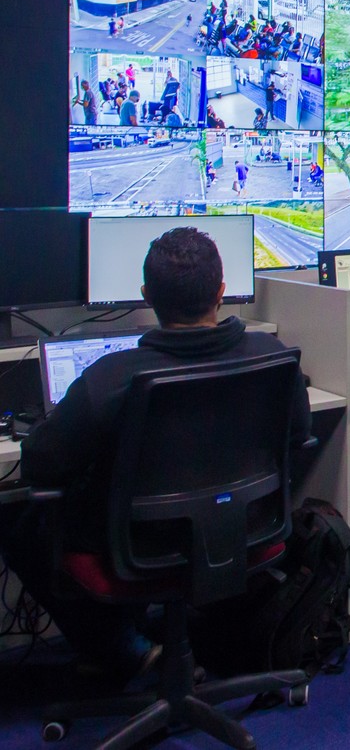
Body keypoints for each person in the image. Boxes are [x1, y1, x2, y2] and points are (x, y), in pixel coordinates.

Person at [0, 228, 310, 680]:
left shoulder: (109, 378)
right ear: (222, 292)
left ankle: (126, 649)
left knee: (18, 520)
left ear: (146, 295)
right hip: (244, 530)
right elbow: (300, 434)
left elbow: (41, 464)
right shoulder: (273, 356)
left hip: (140, 549)